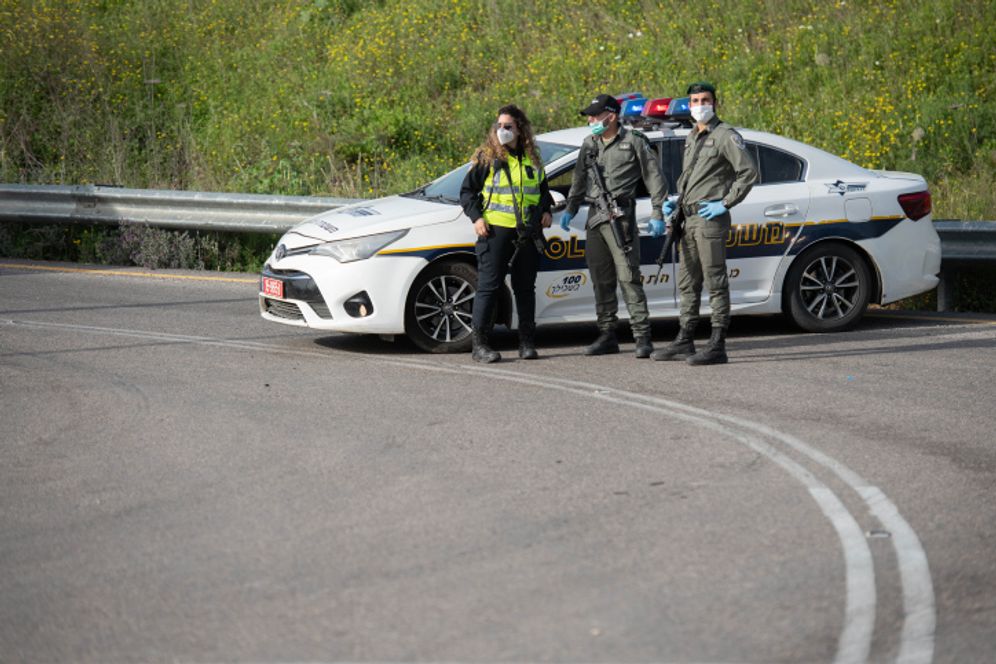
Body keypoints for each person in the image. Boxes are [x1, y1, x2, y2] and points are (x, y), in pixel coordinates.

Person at [652, 81, 758, 365]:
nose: (700, 105)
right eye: (695, 100)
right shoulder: (692, 136)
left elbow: (748, 173)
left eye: (705, 100)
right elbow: (694, 177)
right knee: (688, 282)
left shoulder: (725, 136)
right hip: (688, 218)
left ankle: (717, 344)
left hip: (710, 220)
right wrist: (676, 200)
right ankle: (685, 338)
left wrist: (724, 203)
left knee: (716, 280)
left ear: (715, 103)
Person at [561, 93, 668, 358]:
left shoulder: (634, 141)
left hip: (621, 218)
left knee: (628, 277)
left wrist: (658, 213)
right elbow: (579, 179)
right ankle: (607, 334)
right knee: (601, 278)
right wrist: (571, 208)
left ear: (611, 115)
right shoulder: (590, 143)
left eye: (595, 115)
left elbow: (654, 178)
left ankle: (642, 336)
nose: (590, 120)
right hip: (595, 218)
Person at [459, 104, 553, 363]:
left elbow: (542, 191)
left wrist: (546, 210)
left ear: (520, 129)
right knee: (489, 288)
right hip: (496, 231)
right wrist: (477, 218)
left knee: (525, 289)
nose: (502, 131)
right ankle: (480, 346)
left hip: (527, 233)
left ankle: (526, 343)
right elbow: (466, 192)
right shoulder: (487, 157)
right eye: (499, 126)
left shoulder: (533, 158)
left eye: (508, 126)